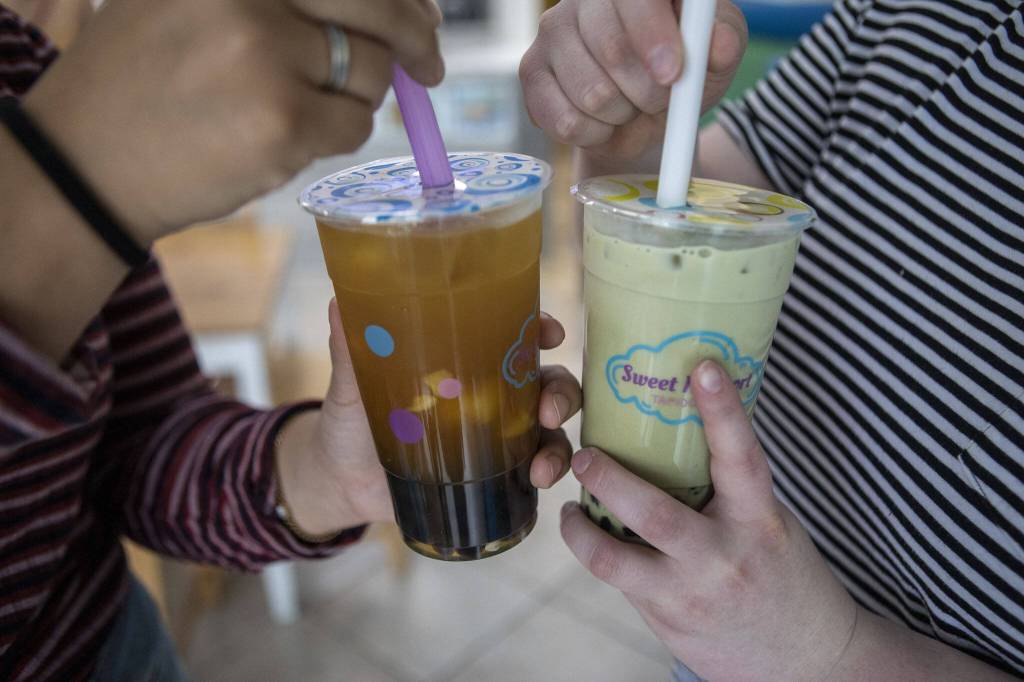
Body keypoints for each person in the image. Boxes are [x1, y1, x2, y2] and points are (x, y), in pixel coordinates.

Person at [0, 1, 583, 680]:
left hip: (112, 648)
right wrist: (80, 175)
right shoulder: (61, 102)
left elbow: (142, 441)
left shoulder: (18, 65)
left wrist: (327, 476)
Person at [520, 0, 1023, 679]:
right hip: (713, 625)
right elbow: (714, 208)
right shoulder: (918, 9)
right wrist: (627, 138)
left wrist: (827, 652)